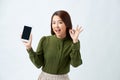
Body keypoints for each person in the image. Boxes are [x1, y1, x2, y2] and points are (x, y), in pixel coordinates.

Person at [22, 10, 83, 80]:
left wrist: (75, 41)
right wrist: (29, 48)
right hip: (44, 78)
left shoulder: (72, 43)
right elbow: (38, 64)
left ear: (67, 24)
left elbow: (75, 64)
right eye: (53, 23)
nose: (56, 26)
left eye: (60, 22)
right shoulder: (45, 40)